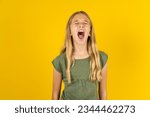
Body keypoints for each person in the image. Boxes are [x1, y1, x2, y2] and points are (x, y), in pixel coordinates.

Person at [52, 11, 108, 100]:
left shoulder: (101, 58)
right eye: (76, 23)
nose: (81, 25)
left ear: (90, 32)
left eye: (85, 23)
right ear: (70, 32)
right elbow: (55, 95)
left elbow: (103, 93)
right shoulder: (60, 61)